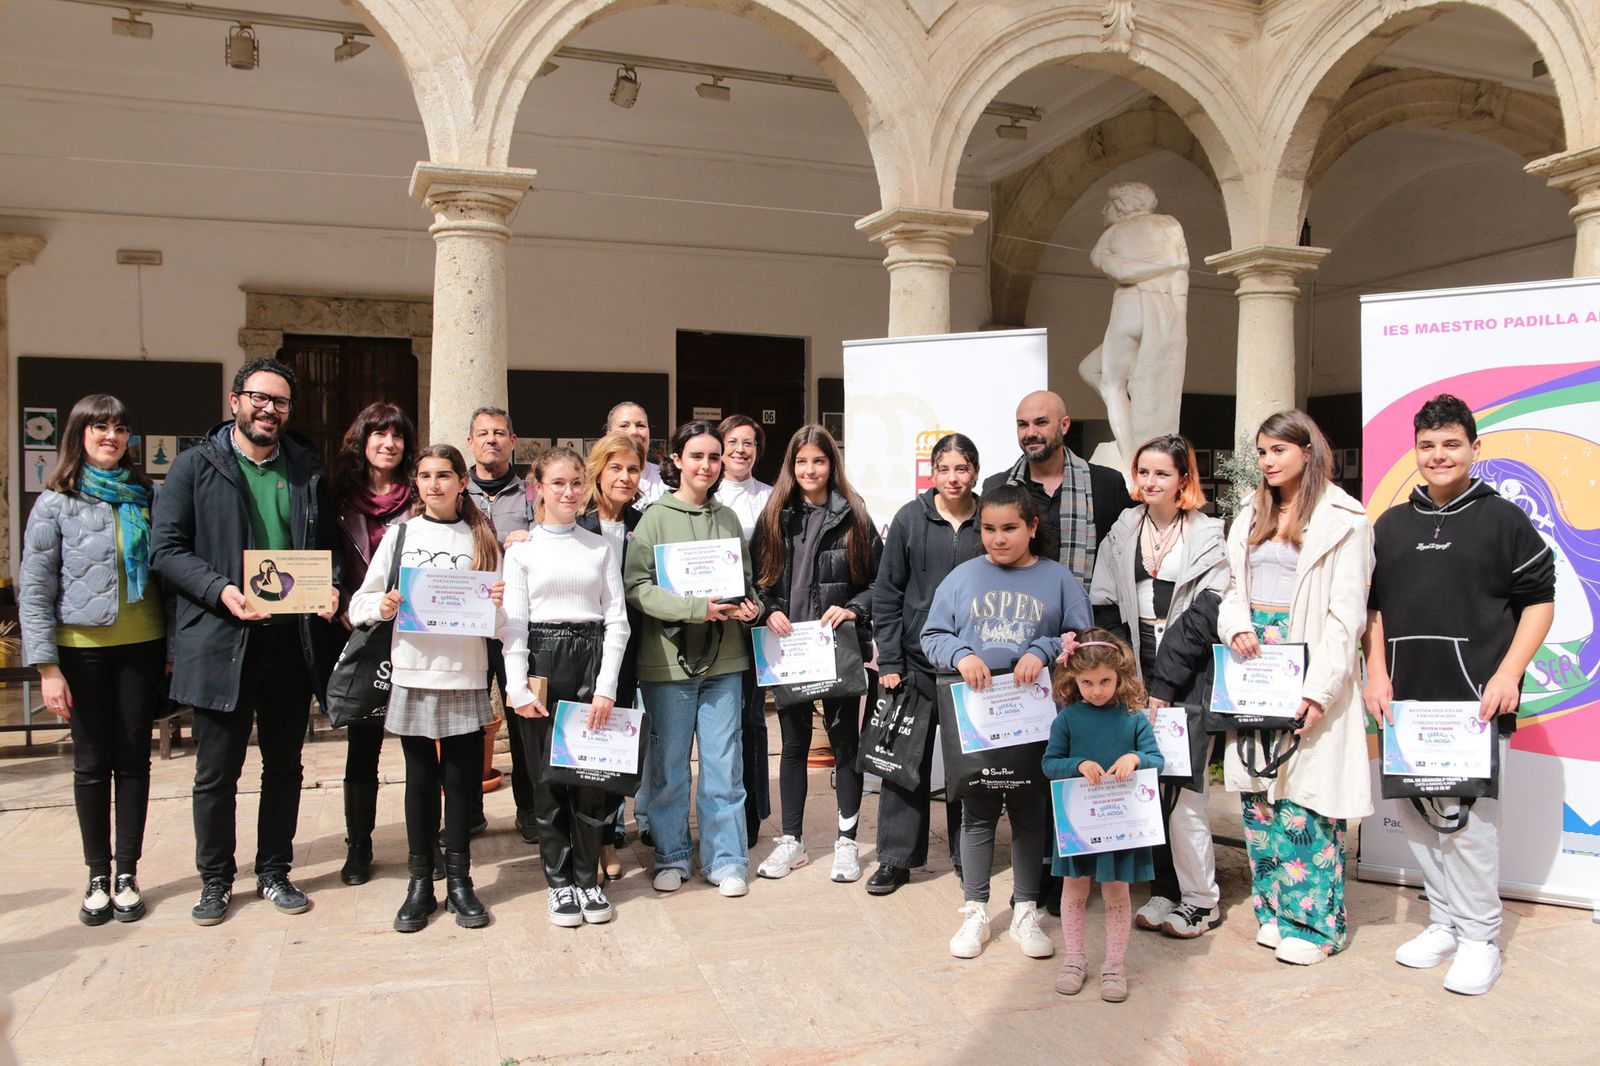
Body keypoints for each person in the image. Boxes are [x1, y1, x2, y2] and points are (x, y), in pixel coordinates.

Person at [1363, 394, 1555, 996]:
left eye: (1451, 444)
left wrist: (1509, 674)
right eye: (1427, 445)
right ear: (1414, 452)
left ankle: (1480, 939)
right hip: (1404, 702)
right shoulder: (1391, 525)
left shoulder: (1504, 519)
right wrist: (1376, 673)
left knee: (1469, 826)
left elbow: (1540, 602)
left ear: (1475, 448)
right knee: (1417, 816)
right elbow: (1373, 610)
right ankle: (1444, 921)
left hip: (1474, 702)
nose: (1438, 455)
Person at [152, 358, 342, 927]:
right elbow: (166, 550)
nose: (269, 409)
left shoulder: (306, 468)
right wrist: (220, 590)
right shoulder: (193, 467)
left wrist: (331, 586)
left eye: (280, 401)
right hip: (222, 639)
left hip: (290, 643)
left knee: (284, 766)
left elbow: (326, 546)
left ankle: (274, 870)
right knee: (216, 772)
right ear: (235, 401)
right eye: (259, 397)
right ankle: (215, 880)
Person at [1216, 409, 1373, 965]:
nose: (1267, 461)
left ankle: (1315, 925)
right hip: (1254, 665)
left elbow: (1347, 616)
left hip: (1309, 663)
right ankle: (1274, 912)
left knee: (1306, 801)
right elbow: (1232, 589)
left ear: (1308, 451)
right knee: (1259, 798)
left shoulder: (1346, 519)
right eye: (1261, 452)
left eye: (1278, 450)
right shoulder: (1249, 512)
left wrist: (1319, 691)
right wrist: (1235, 626)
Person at [921, 482, 1090, 960]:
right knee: (977, 814)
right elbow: (932, 635)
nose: (998, 538)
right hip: (978, 719)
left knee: (1029, 813)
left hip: (1037, 720)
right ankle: (975, 910)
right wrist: (960, 654)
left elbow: (1080, 635)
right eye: (989, 529)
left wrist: (1044, 649)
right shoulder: (962, 578)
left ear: (1032, 527)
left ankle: (1025, 911)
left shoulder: (1058, 579)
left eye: (1010, 528)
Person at [21, 394, 167, 926]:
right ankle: (97, 876)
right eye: (100, 427)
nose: (111, 436)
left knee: (133, 760)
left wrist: (174, 651)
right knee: (90, 764)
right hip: (81, 652)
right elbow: (35, 589)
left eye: (120, 428)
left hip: (143, 645)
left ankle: (127, 873)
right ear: (79, 434)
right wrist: (47, 668)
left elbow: (169, 572)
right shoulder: (55, 502)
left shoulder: (148, 496)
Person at [348, 444, 503, 933]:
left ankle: (460, 881)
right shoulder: (400, 535)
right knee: (419, 781)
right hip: (414, 673)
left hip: (464, 673)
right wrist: (382, 606)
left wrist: (498, 604)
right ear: (415, 482)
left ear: (462, 482)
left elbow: (503, 621)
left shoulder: (482, 538)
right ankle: (420, 883)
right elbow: (359, 603)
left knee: (459, 783)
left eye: (444, 475)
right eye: (425, 475)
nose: (434, 484)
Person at [1089, 434, 1227, 937]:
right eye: (1143, 472)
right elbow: (1104, 601)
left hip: (1188, 671)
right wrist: (1124, 670)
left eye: (1162, 473)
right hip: (1136, 664)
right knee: (1147, 783)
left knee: (1185, 793)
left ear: (1184, 479)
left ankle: (1201, 901)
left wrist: (1164, 682)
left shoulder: (1209, 533)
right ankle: (1166, 889)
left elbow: (1209, 610)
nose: (1150, 482)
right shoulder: (1124, 527)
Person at [623, 420, 761, 897]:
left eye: (714, 457)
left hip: (725, 660)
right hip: (667, 663)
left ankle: (726, 858)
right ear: (677, 460)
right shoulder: (654, 518)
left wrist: (751, 606)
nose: (707, 465)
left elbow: (745, 582)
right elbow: (637, 586)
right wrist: (692, 609)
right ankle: (672, 855)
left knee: (724, 765)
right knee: (669, 767)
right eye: (697, 456)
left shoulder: (728, 519)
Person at [500, 446, 631, 928]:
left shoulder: (600, 547)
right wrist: (517, 687)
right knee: (548, 780)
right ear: (538, 488)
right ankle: (559, 883)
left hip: (591, 658)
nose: (569, 492)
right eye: (558, 483)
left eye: (576, 482)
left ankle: (587, 878)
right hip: (542, 659)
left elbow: (617, 621)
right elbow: (513, 624)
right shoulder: (521, 550)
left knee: (591, 779)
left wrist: (606, 687)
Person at [751, 425, 883, 883]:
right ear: (791, 465)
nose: (810, 470)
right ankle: (792, 841)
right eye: (802, 461)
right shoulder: (775, 514)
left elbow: (878, 582)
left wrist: (853, 609)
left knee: (845, 746)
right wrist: (768, 610)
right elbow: (757, 580)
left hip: (836, 648)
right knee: (793, 746)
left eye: (819, 461)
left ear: (832, 465)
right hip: (790, 650)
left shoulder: (854, 514)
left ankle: (847, 841)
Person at [866, 432, 981, 895]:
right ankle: (895, 859)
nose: (953, 478)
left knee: (967, 765)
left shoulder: (989, 520)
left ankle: (967, 853)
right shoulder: (910, 519)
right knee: (903, 762)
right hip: (914, 663)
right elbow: (887, 592)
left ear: (975, 472)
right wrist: (890, 659)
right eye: (944, 469)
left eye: (962, 468)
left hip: (971, 667)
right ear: (932, 473)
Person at [1044, 629, 1164, 1002]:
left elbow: (1157, 760)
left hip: (1121, 824)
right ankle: (1074, 959)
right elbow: (1049, 763)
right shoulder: (1067, 720)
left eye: (1105, 681)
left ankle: (1114, 965)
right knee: (1075, 889)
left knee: (1116, 892)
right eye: (1087, 683)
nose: (1096, 690)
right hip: (1079, 822)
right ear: (1073, 679)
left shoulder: (1134, 719)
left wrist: (1135, 758)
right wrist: (1078, 764)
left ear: (1120, 675)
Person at [330, 401, 417, 887]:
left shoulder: (419, 498)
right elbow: (325, 560)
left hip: (416, 634)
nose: (389, 443)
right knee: (362, 745)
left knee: (420, 745)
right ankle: (358, 844)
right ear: (362, 441)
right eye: (379, 434)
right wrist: (345, 604)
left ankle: (425, 841)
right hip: (360, 630)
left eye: (397, 435)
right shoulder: (338, 499)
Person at [1077, 182, 1189, 467]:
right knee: (1091, 369)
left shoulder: (1112, 234)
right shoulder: (1171, 225)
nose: (1103, 211)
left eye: (1108, 205)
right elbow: (1178, 269)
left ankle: (1131, 459)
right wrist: (1166, 264)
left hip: (1129, 309)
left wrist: (1154, 267)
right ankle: (1134, 440)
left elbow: (1119, 270)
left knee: (1111, 383)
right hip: (1163, 313)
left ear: (1121, 206)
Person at [577, 431, 648, 880]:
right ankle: (585, 837)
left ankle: (608, 834)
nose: (624, 476)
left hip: (630, 646)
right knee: (584, 742)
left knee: (614, 742)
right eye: (616, 467)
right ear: (598, 470)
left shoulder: (644, 521)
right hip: (583, 647)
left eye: (633, 469)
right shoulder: (575, 519)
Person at [465, 405, 536, 841]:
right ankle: (469, 811)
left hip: (515, 624)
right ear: (470, 442)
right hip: (468, 626)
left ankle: (528, 809)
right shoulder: (457, 492)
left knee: (522, 715)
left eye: (499, 433)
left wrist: (530, 539)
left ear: (513, 441)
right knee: (468, 722)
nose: (491, 439)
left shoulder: (531, 494)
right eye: (482, 433)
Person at [983, 389, 1131, 590]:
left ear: (1064, 425)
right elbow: (985, 559)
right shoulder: (997, 486)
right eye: (1023, 424)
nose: (1030, 433)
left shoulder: (1106, 484)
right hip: (1014, 603)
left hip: (1088, 607)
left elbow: (1124, 559)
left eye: (1041, 422)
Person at [716, 414, 776, 849]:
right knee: (720, 725)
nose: (741, 450)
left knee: (752, 719)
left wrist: (761, 604)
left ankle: (753, 814)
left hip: (754, 622)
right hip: (712, 622)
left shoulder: (771, 499)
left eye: (749, 443)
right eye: (733, 442)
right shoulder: (706, 494)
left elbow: (775, 563)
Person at [607, 401, 666, 509]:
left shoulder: (665, 479)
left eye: (640, 425)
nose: (634, 432)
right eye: (624, 426)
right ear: (609, 434)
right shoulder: (595, 479)